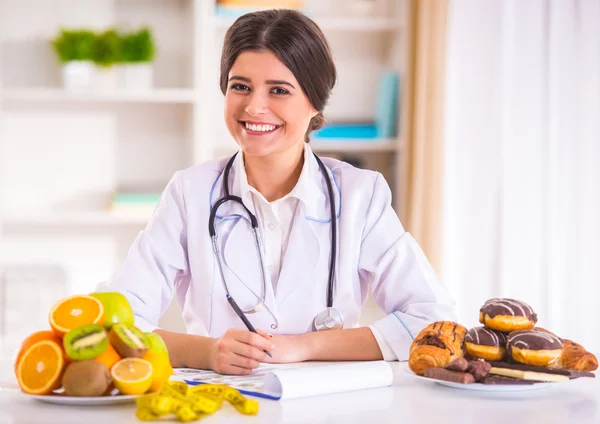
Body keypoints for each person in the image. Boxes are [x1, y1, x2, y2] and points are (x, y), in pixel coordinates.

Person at [98, 9, 456, 375]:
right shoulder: (189, 192)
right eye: (240, 86)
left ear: (315, 102)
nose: (253, 107)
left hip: (327, 407)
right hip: (219, 403)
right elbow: (114, 321)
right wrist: (204, 352)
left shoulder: (360, 196)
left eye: (279, 90)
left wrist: (304, 346)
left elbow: (431, 320)